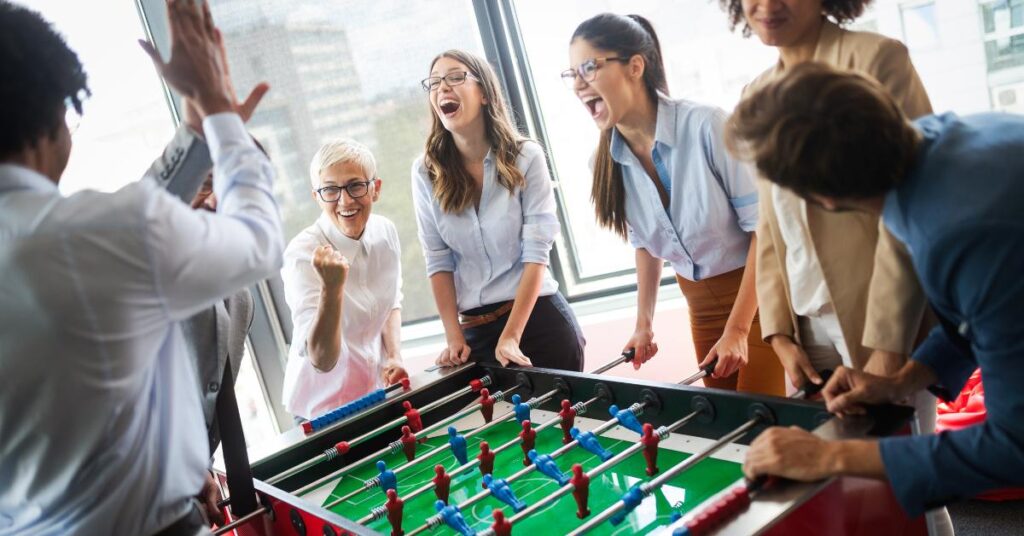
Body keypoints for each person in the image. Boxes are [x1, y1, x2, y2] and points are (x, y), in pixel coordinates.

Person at [0, 1, 283, 535]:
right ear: (53, 111)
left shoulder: (94, 236)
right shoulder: (99, 234)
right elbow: (258, 242)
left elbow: (133, 227)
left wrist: (199, 130)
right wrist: (220, 112)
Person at [730, 61, 1024, 520]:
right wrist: (903, 379)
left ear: (820, 200)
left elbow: (1014, 445)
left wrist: (830, 456)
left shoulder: (960, 233)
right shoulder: (937, 139)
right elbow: (982, 308)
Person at [722, 0, 933, 395]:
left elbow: (913, 204)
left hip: (880, 315)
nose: (767, 5)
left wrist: (889, 346)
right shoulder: (757, 92)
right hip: (803, 324)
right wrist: (779, 334)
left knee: (892, 451)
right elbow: (769, 222)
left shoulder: (878, 58)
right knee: (827, 449)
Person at [565, 13, 783, 394]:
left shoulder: (707, 125)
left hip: (759, 297)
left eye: (589, 67)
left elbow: (765, 233)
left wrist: (737, 330)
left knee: (758, 425)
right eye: (572, 74)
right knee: (721, 427)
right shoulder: (603, 163)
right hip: (699, 305)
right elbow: (647, 244)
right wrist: (643, 324)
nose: (579, 83)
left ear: (635, 66)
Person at [412, 49, 584, 371]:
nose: (442, 88)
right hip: (474, 333)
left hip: (538, 322)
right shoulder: (424, 172)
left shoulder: (527, 157)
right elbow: (437, 259)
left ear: (485, 94)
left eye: (455, 77)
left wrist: (511, 336)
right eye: (434, 83)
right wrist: (453, 336)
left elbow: (536, 254)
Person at [281, 138, 408, 421]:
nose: (345, 200)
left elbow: (391, 302)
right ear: (317, 197)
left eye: (355, 185)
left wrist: (394, 356)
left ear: (375, 189)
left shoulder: (386, 232)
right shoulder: (302, 253)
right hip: (320, 412)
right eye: (330, 190)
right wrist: (332, 288)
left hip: (374, 394)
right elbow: (321, 360)